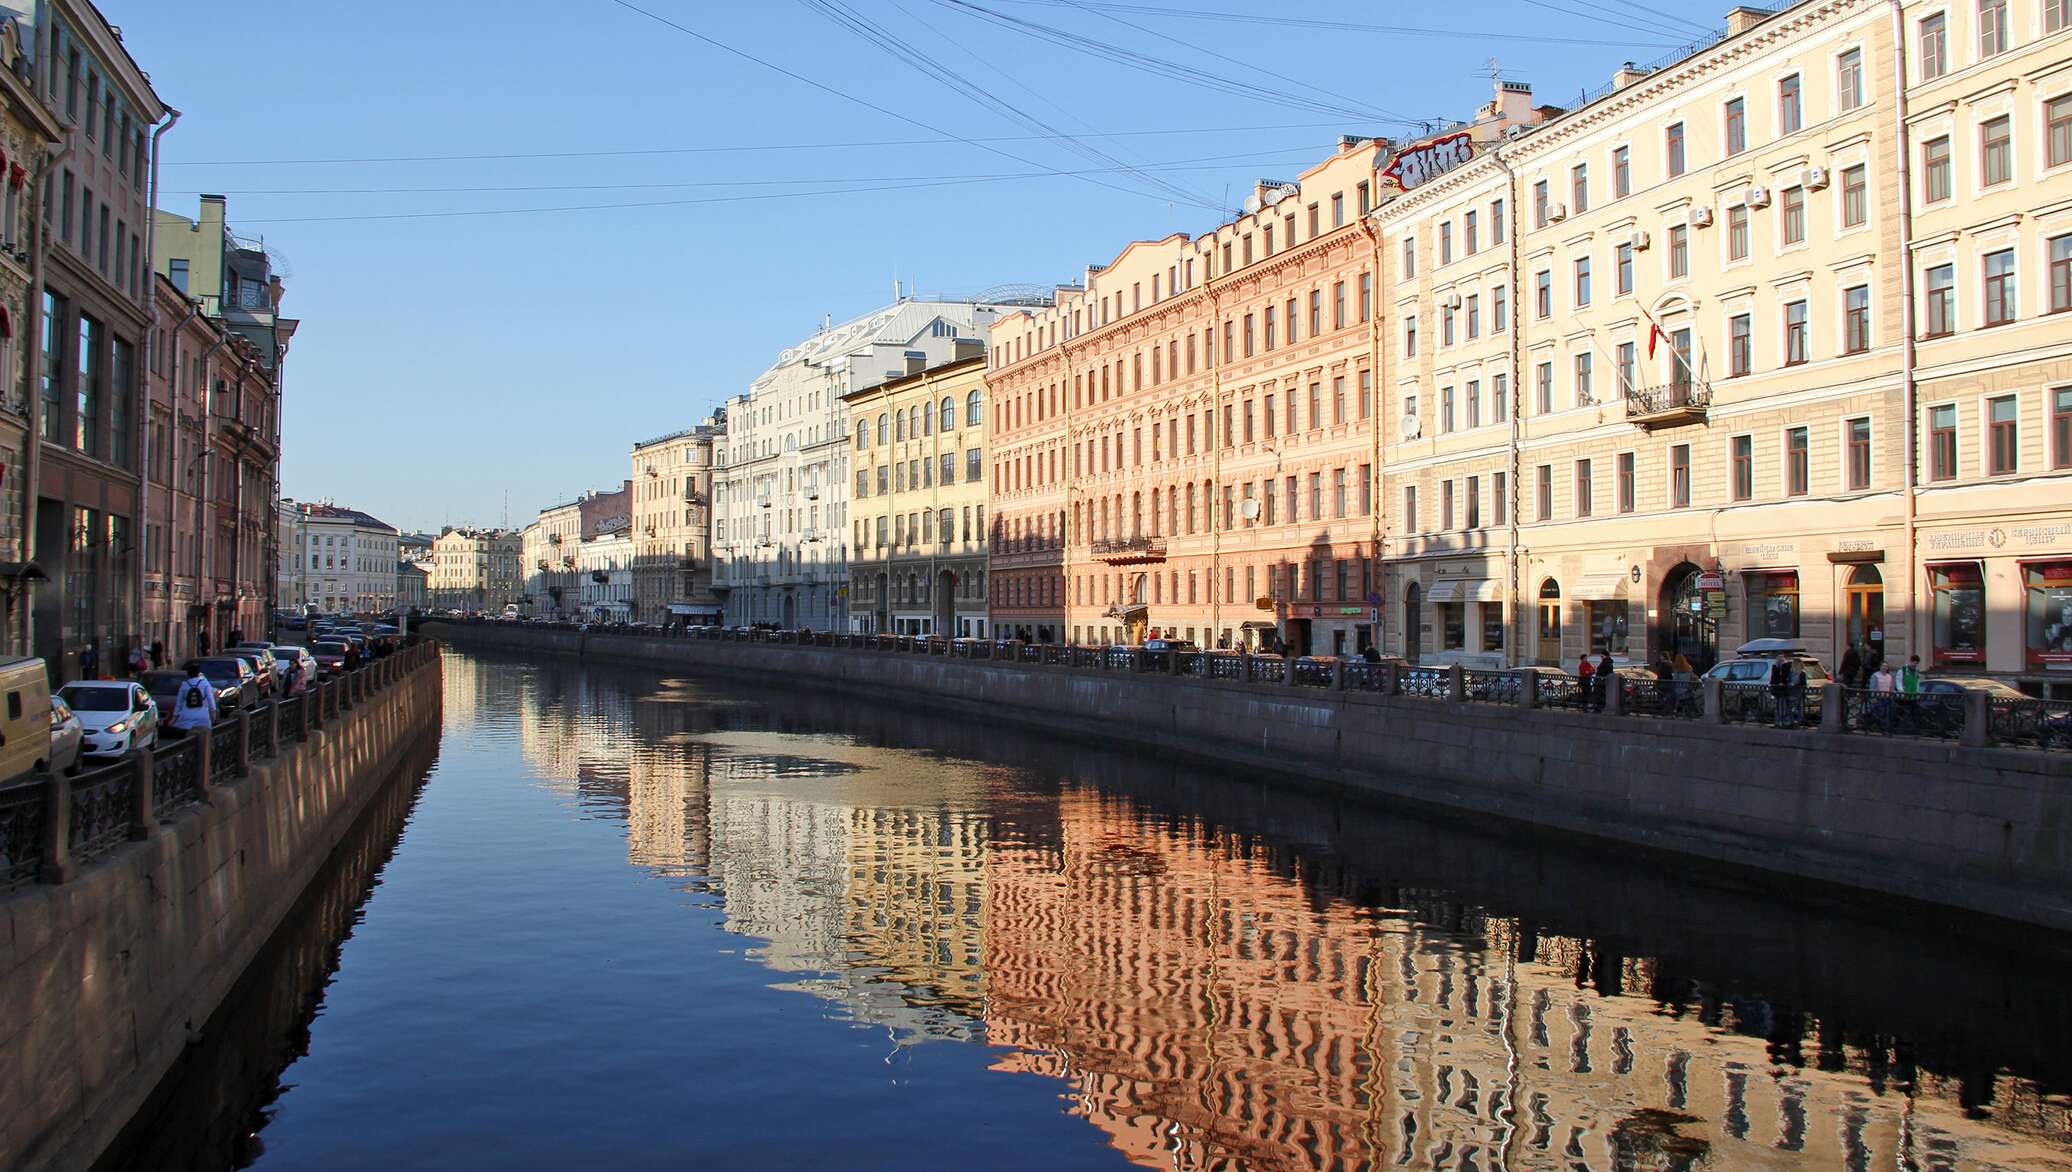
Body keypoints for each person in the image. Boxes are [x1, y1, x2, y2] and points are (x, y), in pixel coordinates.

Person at [167, 663, 220, 737]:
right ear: (198, 673)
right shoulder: (204, 683)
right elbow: (211, 700)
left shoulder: (184, 685)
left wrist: (174, 718)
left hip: (186, 716)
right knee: (204, 736)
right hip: (202, 715)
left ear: (188, 674)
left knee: (188, 739)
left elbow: (179, 703)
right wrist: (213, 715)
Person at [1769, 655, 1793, 727]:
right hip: (1782, 689)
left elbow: (1773, 678)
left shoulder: (1777, 666)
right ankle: (1784, 722)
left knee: (1780, 706)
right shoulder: (1786, 666)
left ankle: (1780, 722)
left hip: (1779, 689)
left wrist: (1773, 686)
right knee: (1784, 706)